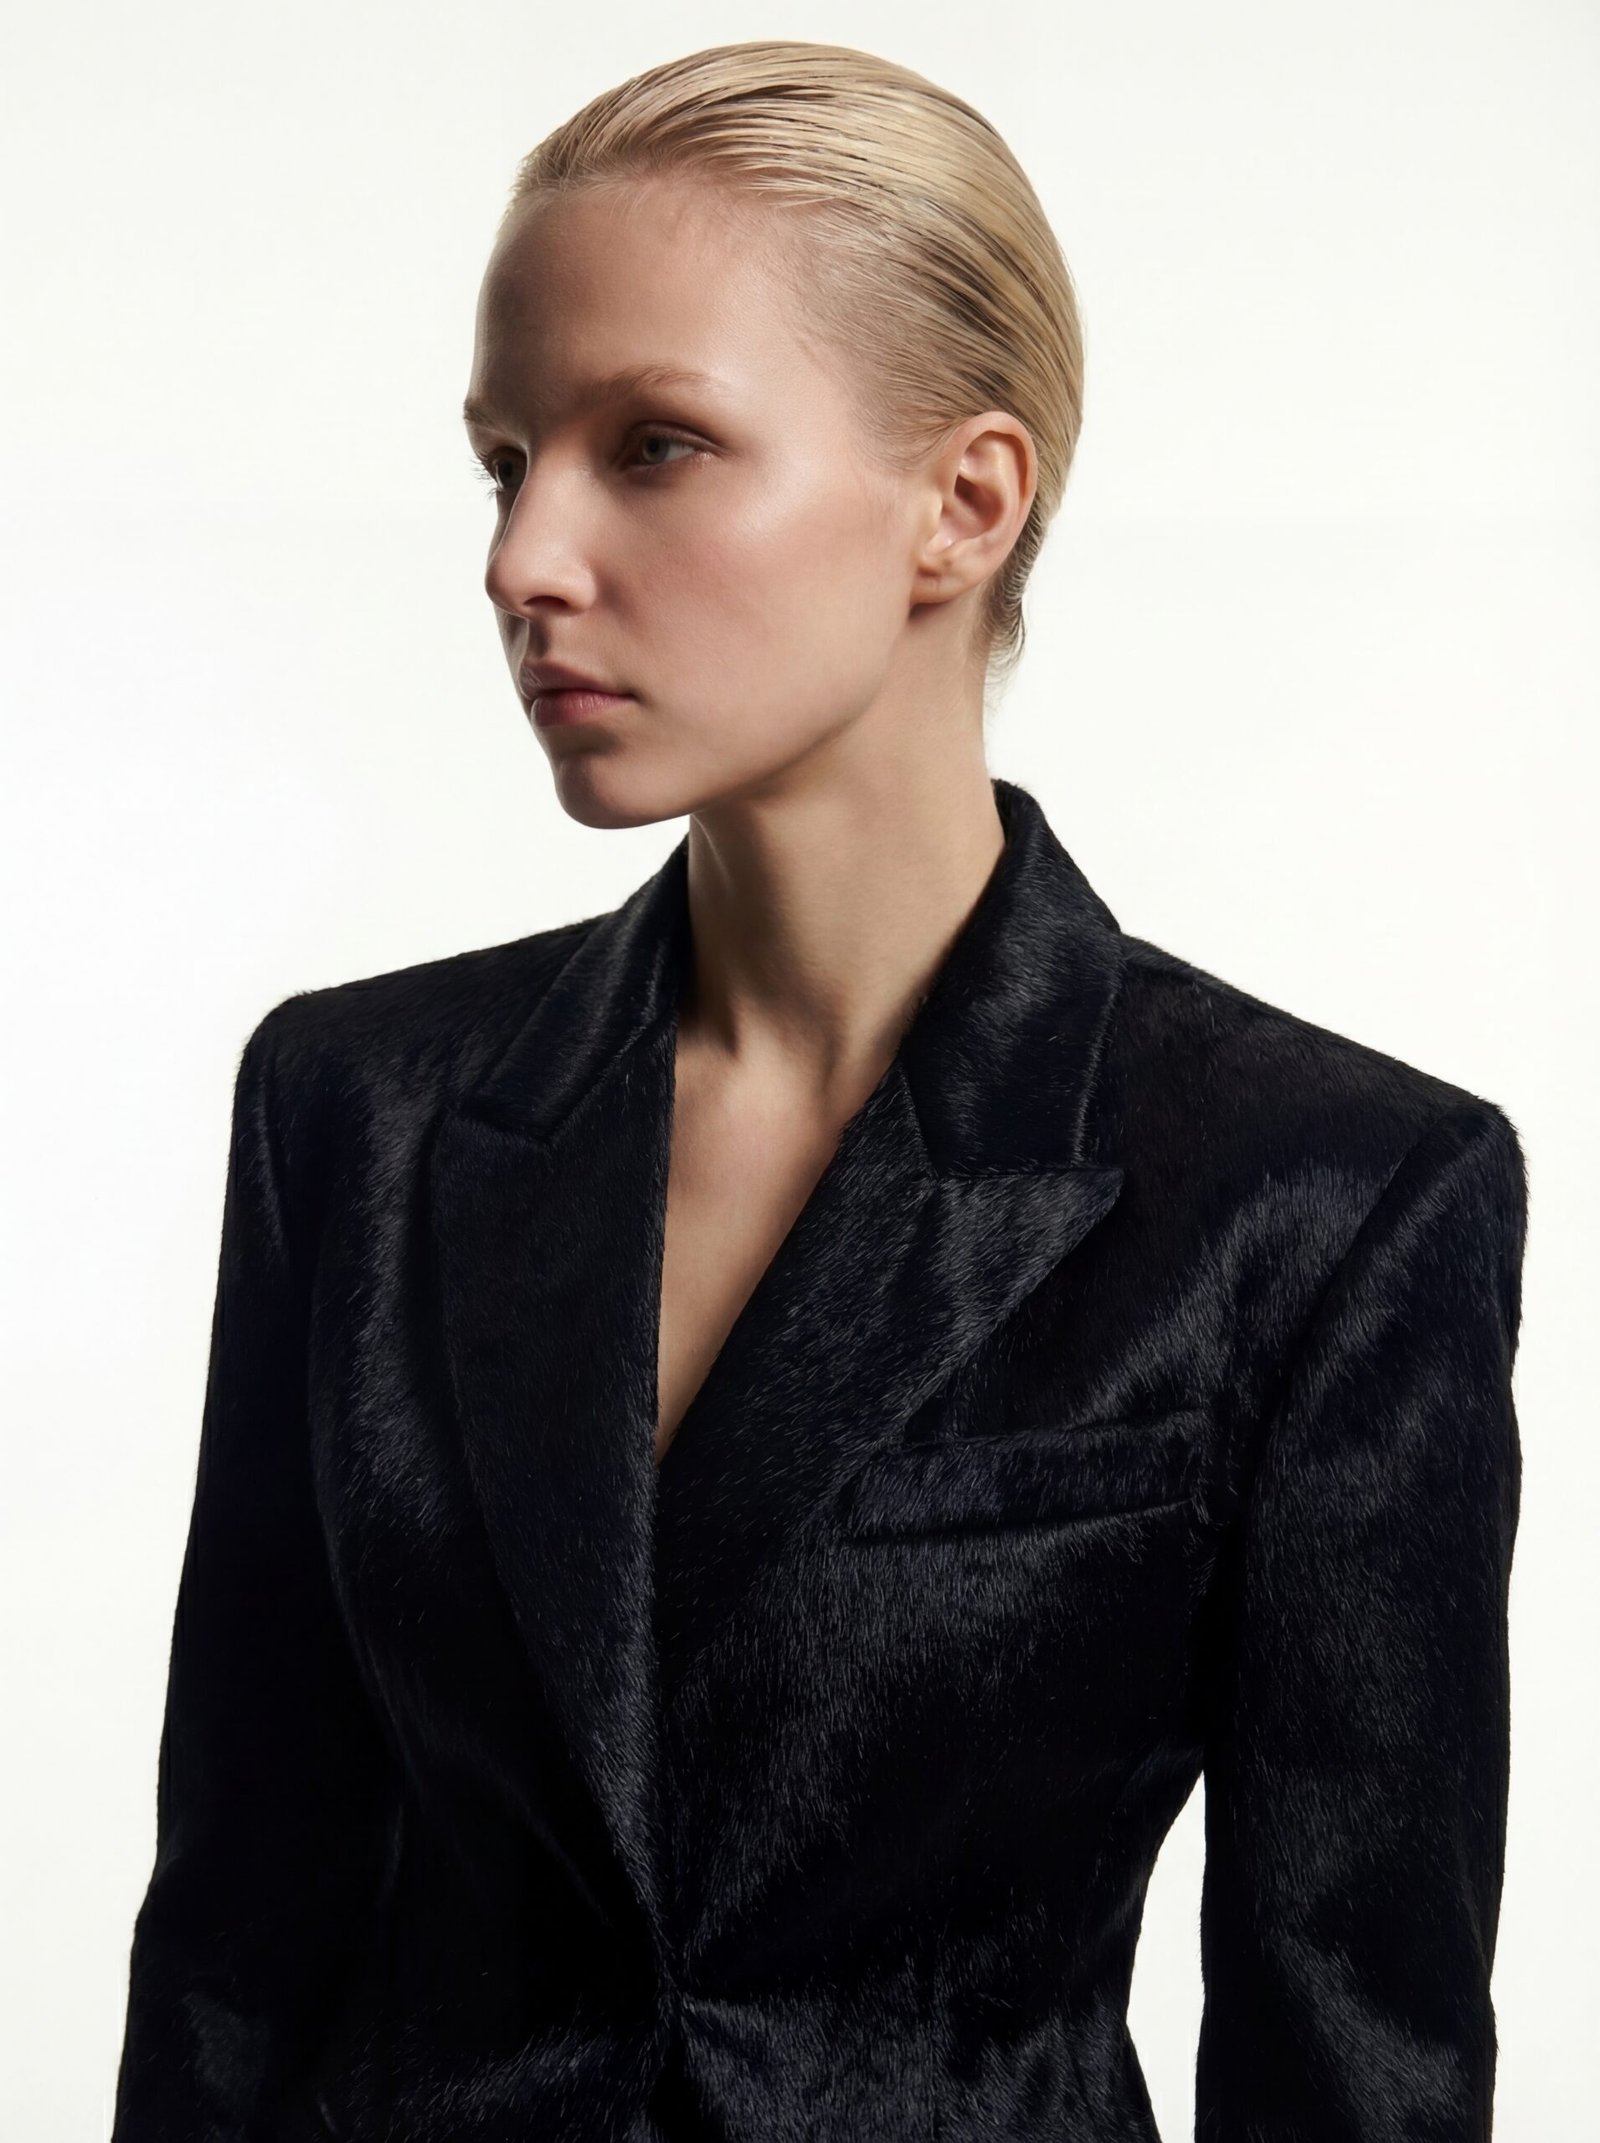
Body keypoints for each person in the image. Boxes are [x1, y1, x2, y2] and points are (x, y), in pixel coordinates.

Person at [109, 39, 1528, 2143]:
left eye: (653, 447)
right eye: (504, 461)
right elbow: (239, 1942)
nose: (523, 558)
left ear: (964, 503)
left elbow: (1353, 2062)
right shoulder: (357, 1109)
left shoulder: (1320, 1194)